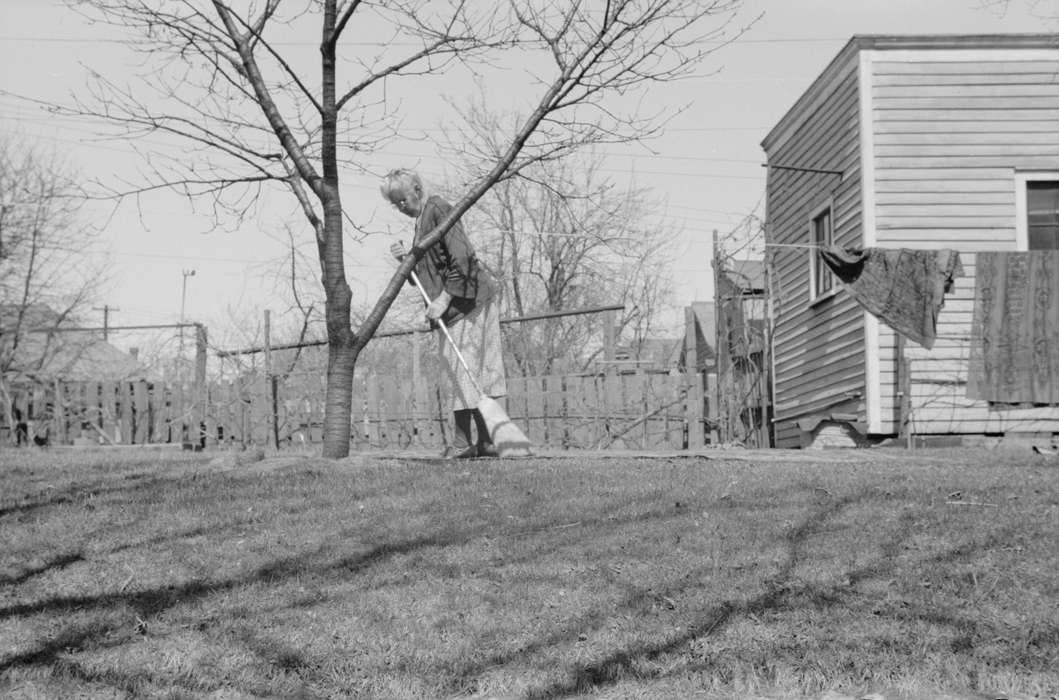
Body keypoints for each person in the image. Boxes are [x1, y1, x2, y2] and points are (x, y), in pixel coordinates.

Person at [380, 168, 507, 458]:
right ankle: (483, 443)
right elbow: (424, 279)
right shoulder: (419, 226)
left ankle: (466, 443)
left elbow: (462, 256)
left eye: (402, 199)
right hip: (450, 309)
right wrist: (406, 260)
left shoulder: (437, 208)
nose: (400, 206)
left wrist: (444, 298)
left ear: (416, 188)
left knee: (464, 372)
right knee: (461, 373)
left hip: (468, 302)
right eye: (394, 203)